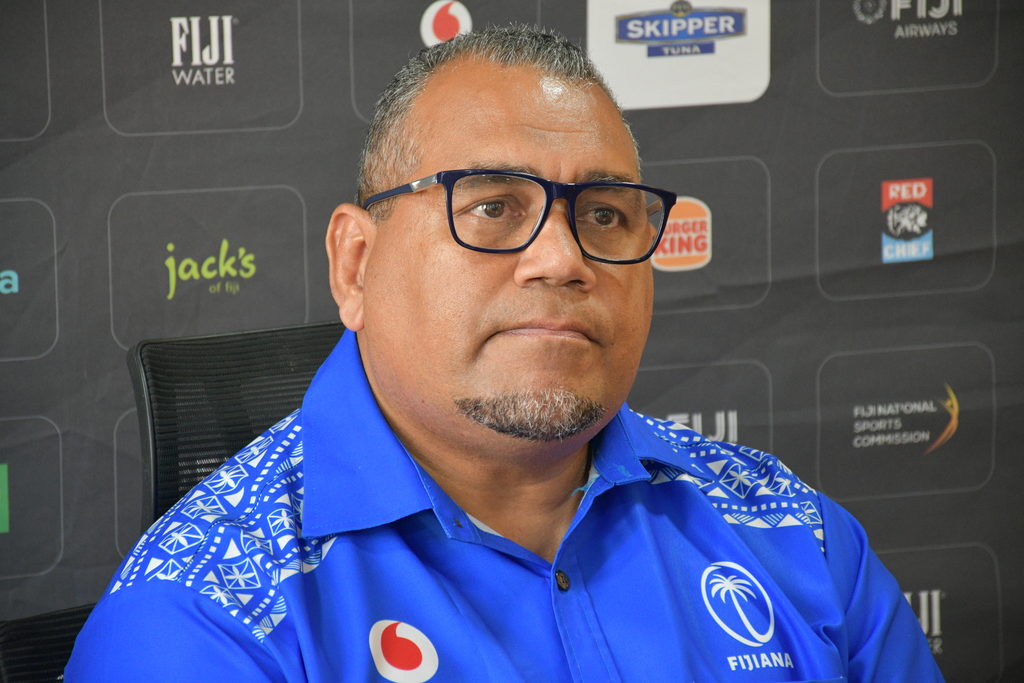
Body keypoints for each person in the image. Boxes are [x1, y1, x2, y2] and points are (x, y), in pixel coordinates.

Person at [67, 25, 943, 681]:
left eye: (605, 214)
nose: (562, 259)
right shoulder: (202, 619)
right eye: (491, 206)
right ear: (356, 265)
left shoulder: (797, 537)